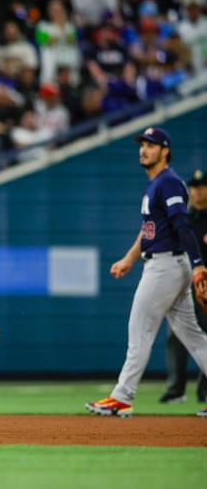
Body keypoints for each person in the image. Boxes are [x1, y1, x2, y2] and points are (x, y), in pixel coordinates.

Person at [86, 127, 207, 418]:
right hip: (164, 262)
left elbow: (183, 225)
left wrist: (199, 265)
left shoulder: (169, 183)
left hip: (166, 266)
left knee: (140, 329)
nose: (144, 149)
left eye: (151, 145)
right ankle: (121, 397)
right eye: (142, 144)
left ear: (165, 150)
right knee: (194, 336)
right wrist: (129, 259)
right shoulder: (156, 184)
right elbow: (149, 232)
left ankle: (122, 397)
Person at [159, 169, 207, 404]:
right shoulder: (183, 218)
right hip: (185, 284)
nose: (197, 192)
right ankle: (176, 389)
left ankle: (204, 389)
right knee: (176, 335)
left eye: (202, 187)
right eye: (194, 187)